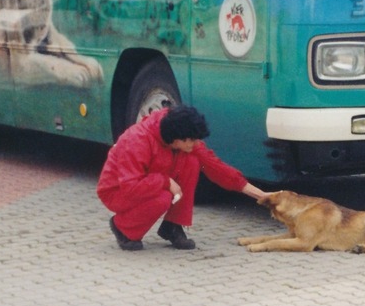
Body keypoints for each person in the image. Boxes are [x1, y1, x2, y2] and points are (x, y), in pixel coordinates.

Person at [97, 105, 267, 251]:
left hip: (145, 182)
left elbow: (216, 167)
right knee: (163, 198)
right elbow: (130, 186)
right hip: (116, 192)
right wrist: (165, 181)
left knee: (192, 162)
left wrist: (259, 194)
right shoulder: (137, 140)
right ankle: (123, 227)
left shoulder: (179, 136)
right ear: (176, 138)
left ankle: (173, 225)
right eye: (191, 140)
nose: (195, 144)